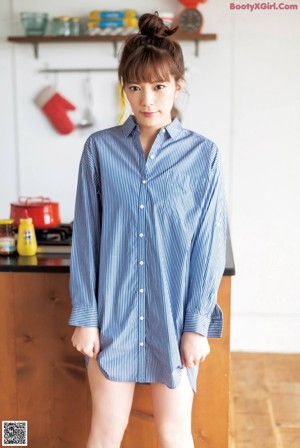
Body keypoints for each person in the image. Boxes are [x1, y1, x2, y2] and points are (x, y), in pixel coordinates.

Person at [69, 11, 227, 448]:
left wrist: (196, 325)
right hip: (112, 318)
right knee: (104, 432)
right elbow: (86, 237)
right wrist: (86, 316)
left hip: (173, 318)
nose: (147, 100)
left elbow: (208, 246)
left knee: (174, 434)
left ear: (178, 86)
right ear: (125, 89)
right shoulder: (99, 150)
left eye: (158, 86)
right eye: (135, 87)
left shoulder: (203, 156)